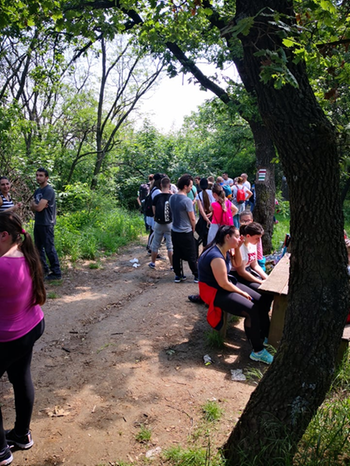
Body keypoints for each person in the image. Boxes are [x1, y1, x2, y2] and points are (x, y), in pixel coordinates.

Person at [0, 211, 46, 466]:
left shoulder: (3, 264)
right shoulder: (27, 254)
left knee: (20, 377)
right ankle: (21, 434)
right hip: (32, 326)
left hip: (11, 336)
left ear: (5, 235)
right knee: (20, 376)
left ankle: (1, 452)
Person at [198, 225, 273, 364]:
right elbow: (223, 284)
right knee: (251, 309)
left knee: (261, 299)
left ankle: (260, 333)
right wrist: (242, 292)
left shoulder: (225, 249)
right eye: (237, 236)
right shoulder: (216, 256)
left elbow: (238, 264)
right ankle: (258, 351)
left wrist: (237, 247)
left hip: (225, 284)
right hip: (214, 291)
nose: (240, 238)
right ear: (227, 237)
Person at [30, 168, 61, 280]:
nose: (38, 177)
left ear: (46, 177)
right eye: (37, 175)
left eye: (41, 175)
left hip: (47, 223)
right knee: (38, 248)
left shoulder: (48, 190)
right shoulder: (38, 191)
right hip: (38, 222)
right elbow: (33, 206)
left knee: (49, 248)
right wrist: (36, 206)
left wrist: (36, 206)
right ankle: (43, 269)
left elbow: (37, 207)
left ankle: (56, 272)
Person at [169, 174, 198, 283]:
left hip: (174, 230)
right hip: (186, 231)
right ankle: (196, 275)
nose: (191, 187)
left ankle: (178, 275)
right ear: (185, 186)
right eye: (190, 185)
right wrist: (193, 229)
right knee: (191, 254)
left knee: (177, 253)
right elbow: (192, 218)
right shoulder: (187, 201)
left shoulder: (172, 197)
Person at [148, 177, 173, 269]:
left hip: (158, 223)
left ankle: (153, 263)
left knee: (155, 244)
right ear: (169, 186)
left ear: (161, 185)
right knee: (170, 246)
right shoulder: (172, 197)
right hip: (169, 223)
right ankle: (172, 265)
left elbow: (154, 210)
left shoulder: (157, 197)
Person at [195, 178, 215, 248]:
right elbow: (214, 206)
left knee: (204, 238)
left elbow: (201, 210)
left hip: (204, 217)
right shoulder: (212, 193)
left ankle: (204, 253)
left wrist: (206, 219)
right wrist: (211, 214)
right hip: (212, 216)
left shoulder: (199, 195)